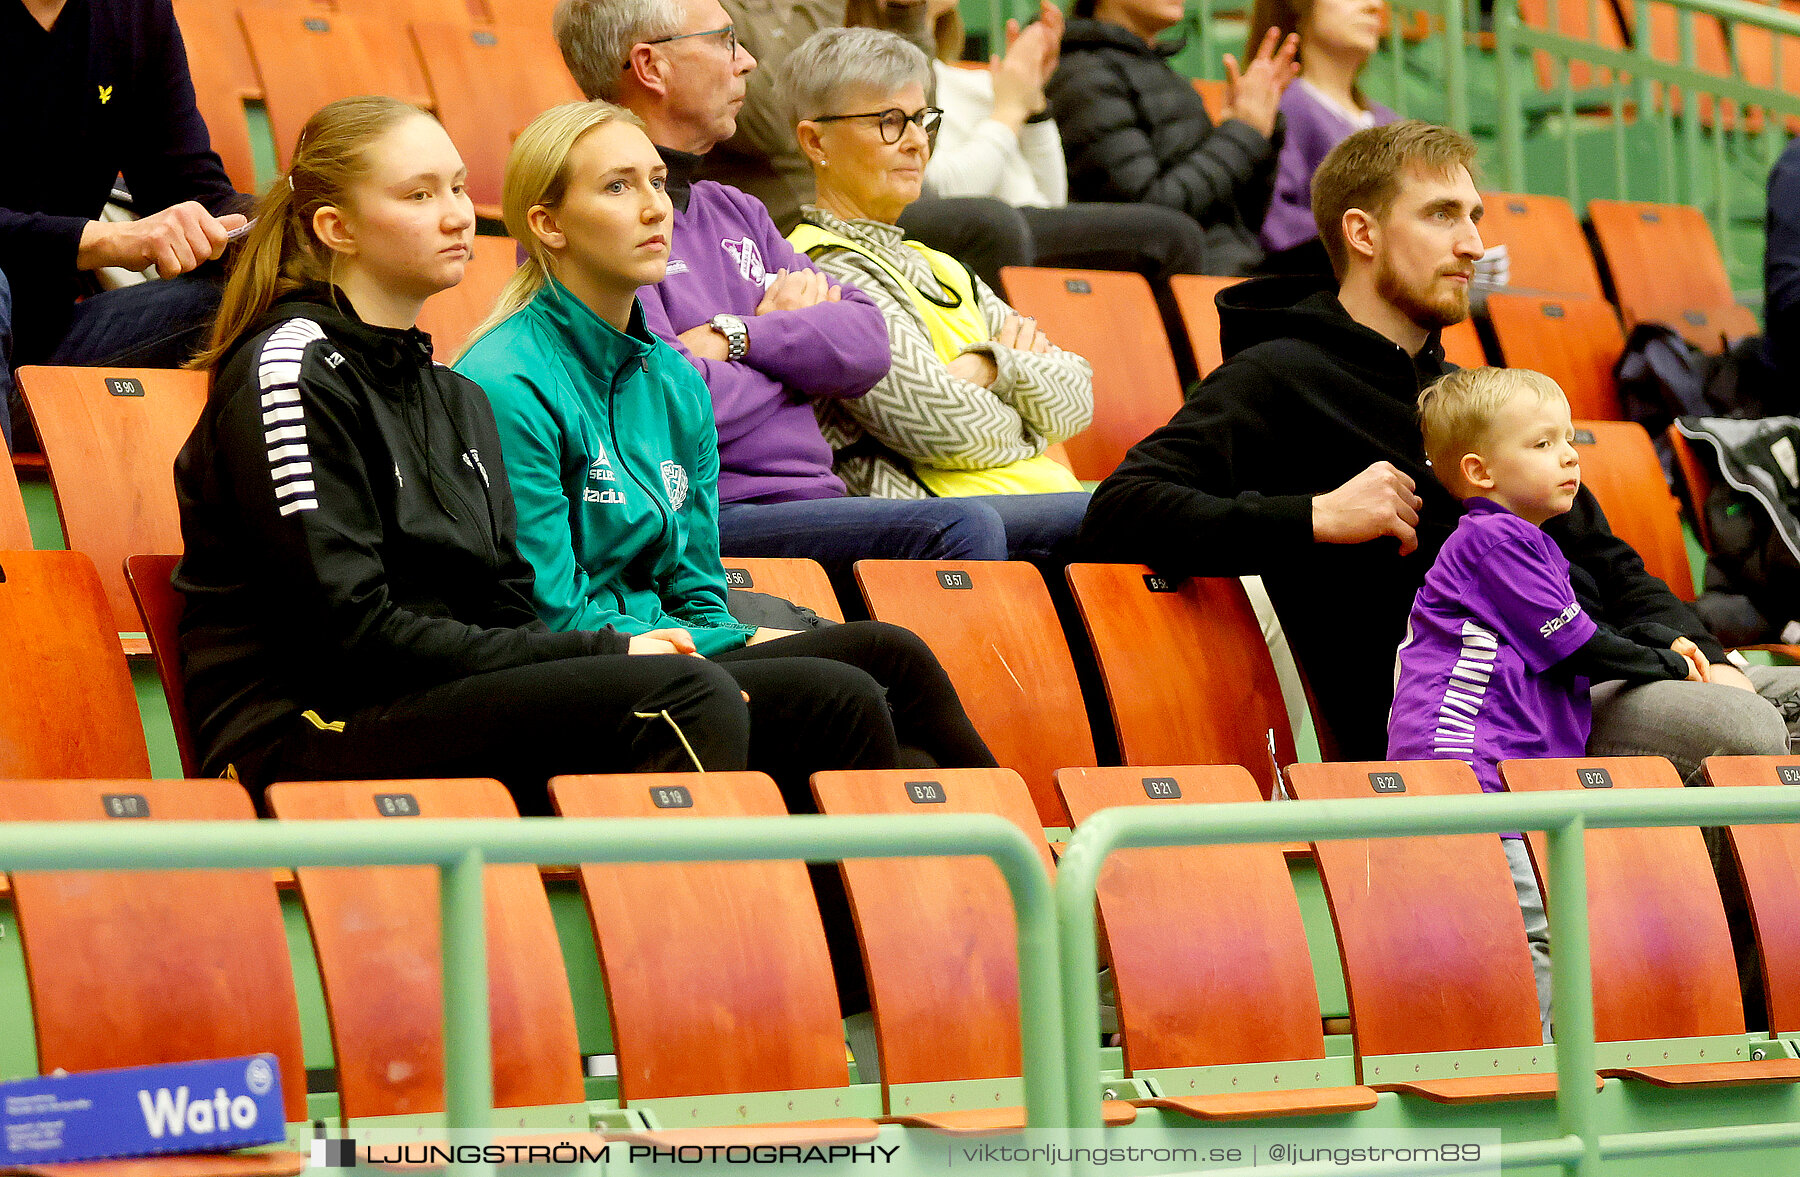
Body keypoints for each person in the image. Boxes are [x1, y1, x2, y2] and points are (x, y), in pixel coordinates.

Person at [172, 95, 861, 817]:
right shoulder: (290, 370)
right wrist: (604, 658)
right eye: (419, 195)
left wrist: (609, 651)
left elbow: (505, 604)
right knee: (684, 698)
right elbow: (350, 633)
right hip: (306, 725)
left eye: (460, 187)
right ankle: (686, 927)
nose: (457, 214)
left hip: (430, 695)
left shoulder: (447, 392)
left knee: (834, 691)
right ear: (335, 228)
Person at [1080, 119, 1800, 773]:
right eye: (1441, 216)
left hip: (1597, 666)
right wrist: (1314, 516)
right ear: (1362, 233)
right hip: (1482, 719)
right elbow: (1121, 508)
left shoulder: (1469, 397)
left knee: (1757, 704)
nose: (1474, 244)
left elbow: (1609, 561)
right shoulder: (1278, 377)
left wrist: (1705, 650)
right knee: (1736, 729)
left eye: (1474, 217)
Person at [454, 99, 995, 785]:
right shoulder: (507, 380)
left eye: (656, 181)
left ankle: (1003, 860)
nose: (656, 208)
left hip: (675, 646)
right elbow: (552, 612)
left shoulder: (674, 378)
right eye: (618, 186)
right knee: (850, 691)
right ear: (548, 225)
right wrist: (730, 640)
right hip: (586, 670)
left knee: (893, 669)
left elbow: (700, 586)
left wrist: (727, 634)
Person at [553, 0, 1023, 580]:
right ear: (651, 67)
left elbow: (867, 347)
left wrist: (739, 337)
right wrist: (798, 366)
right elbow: (669, 406)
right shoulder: (587, 224)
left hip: (817, 501)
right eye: (725, 40)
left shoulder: (737, 209)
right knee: (961, 529)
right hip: (709, 513)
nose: (747, 61)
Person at [1390, 366, 1706, 1041]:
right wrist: (1669, 660)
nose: (1567, 455)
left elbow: (1582, 631)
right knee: (1530, 932)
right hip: (1465, 773)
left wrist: (1651, 640)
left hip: (1504, 776)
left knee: (1546, 930)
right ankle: (1533, 1076)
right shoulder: (1489, 541)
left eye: (1568, 439)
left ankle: (1544, 1065)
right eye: (1540, 444)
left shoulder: (1526, 542)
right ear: (1478, 471)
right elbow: (1577, 646)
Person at [779, 27, 1092, 562]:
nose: (916, 140)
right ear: (815, 142)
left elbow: (1080, 397)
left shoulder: (941, 265)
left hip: (1037, 500)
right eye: (888, 122)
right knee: (1176, 522)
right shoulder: (820, 271)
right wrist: (1029, 408)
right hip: (950, 523)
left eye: (922, 120)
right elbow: (944, 427)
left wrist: (992, 369)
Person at [1, 0, 251, 450]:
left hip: (51, 345)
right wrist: (103, 240)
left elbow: (188, 184)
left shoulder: (136, 11)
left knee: (258, 289)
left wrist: (288, 221)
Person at [1046, 0, 1298, 277]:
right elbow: (1151, 223)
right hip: (1180, 285)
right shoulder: (1083, 76)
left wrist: (1260, 130)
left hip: (1231, 269)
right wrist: (1242, 134)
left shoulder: (1167, 77)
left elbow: (1239, 222)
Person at [1245, 0, 1396, 268]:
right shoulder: (1278, 109)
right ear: (1297, 8)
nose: (1374, 5)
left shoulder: (1391, 124)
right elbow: (1275, 224)